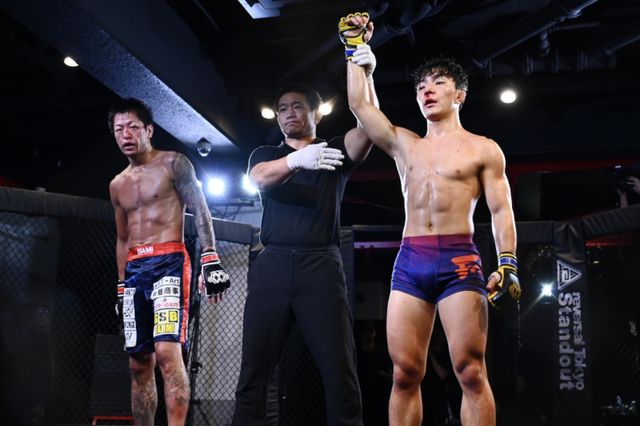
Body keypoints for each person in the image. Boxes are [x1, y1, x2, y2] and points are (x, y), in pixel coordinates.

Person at [345, 14, 521, 426]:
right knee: (405, 374)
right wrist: (354, 49)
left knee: (470, 371)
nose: (427, 89)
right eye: (421, 85)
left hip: (458, 260)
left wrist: (508, 262)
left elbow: (501, 209)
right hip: (411, 262)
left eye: (438, 82)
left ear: (460, 94)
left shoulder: (484, 149)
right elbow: (360, 105)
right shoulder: (405, 144)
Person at [231, 25, 379, 425]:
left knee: (340, 370)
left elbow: (371, 129)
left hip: (320, 265)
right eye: (282, 109)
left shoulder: (335, 151)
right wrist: (296, 160)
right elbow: (258, 178)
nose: (288, 113)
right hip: (273, 264)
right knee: (253, 371)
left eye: (297, 106)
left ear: (317, 112)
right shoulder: (266, 153)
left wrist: (364, 71)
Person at [108, 97, 230, 426]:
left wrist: (210, 256)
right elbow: (122, 239)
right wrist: (121, 286)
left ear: (149, 130)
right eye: (119, 129)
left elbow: (200, 208)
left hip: (169, 263)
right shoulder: (117, 184)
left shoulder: (174, 163)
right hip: (135, 269)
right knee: (138, 362)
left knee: (166, 352)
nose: (126, 134)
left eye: (133, 127)